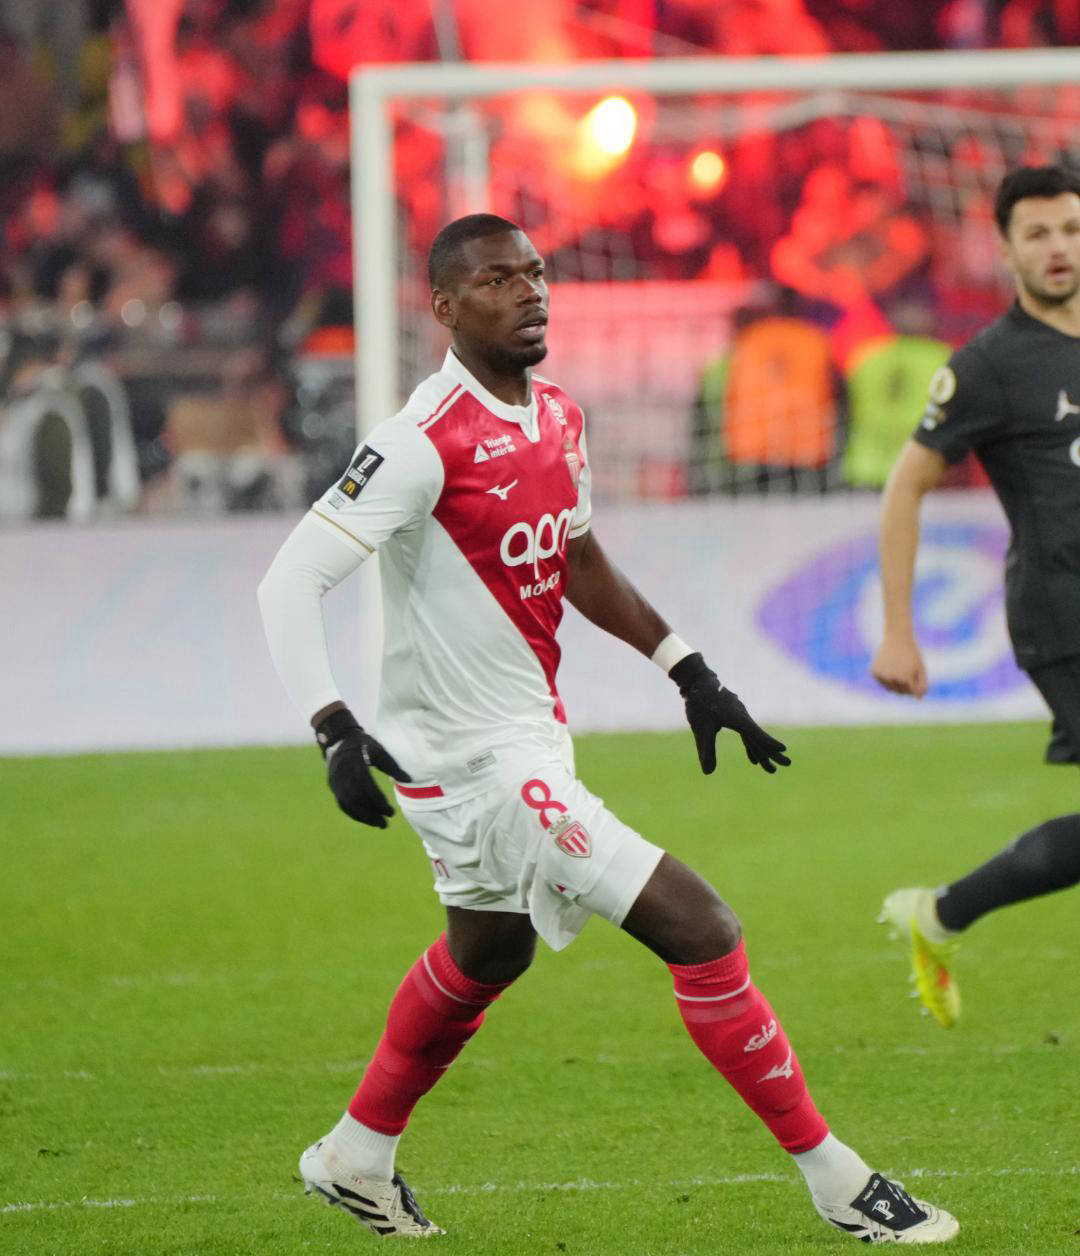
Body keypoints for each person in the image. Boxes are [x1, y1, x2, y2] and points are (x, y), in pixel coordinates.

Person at [258, 213, 957, 1244]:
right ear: (444, 308)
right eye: (497, 281)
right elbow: (288, 581)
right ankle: (840, 1181)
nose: (529, 293)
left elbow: (578, 559)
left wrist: (689, 670)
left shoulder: (559, 418)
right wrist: (331, 726)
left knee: (489, 952)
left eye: (535, 273)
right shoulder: (418, 440)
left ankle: (356, 1156)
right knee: (704, 930)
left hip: (527, 740)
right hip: (478, 767)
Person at [872, 164, 1080, 1028]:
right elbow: (905, 487)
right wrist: (898, 632)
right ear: (1006, 250)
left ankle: (942, 913)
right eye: (1038, 234)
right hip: (1063, 614)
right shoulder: (990, 366)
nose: (1058, 247)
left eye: (1070, 229)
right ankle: (941, 913)